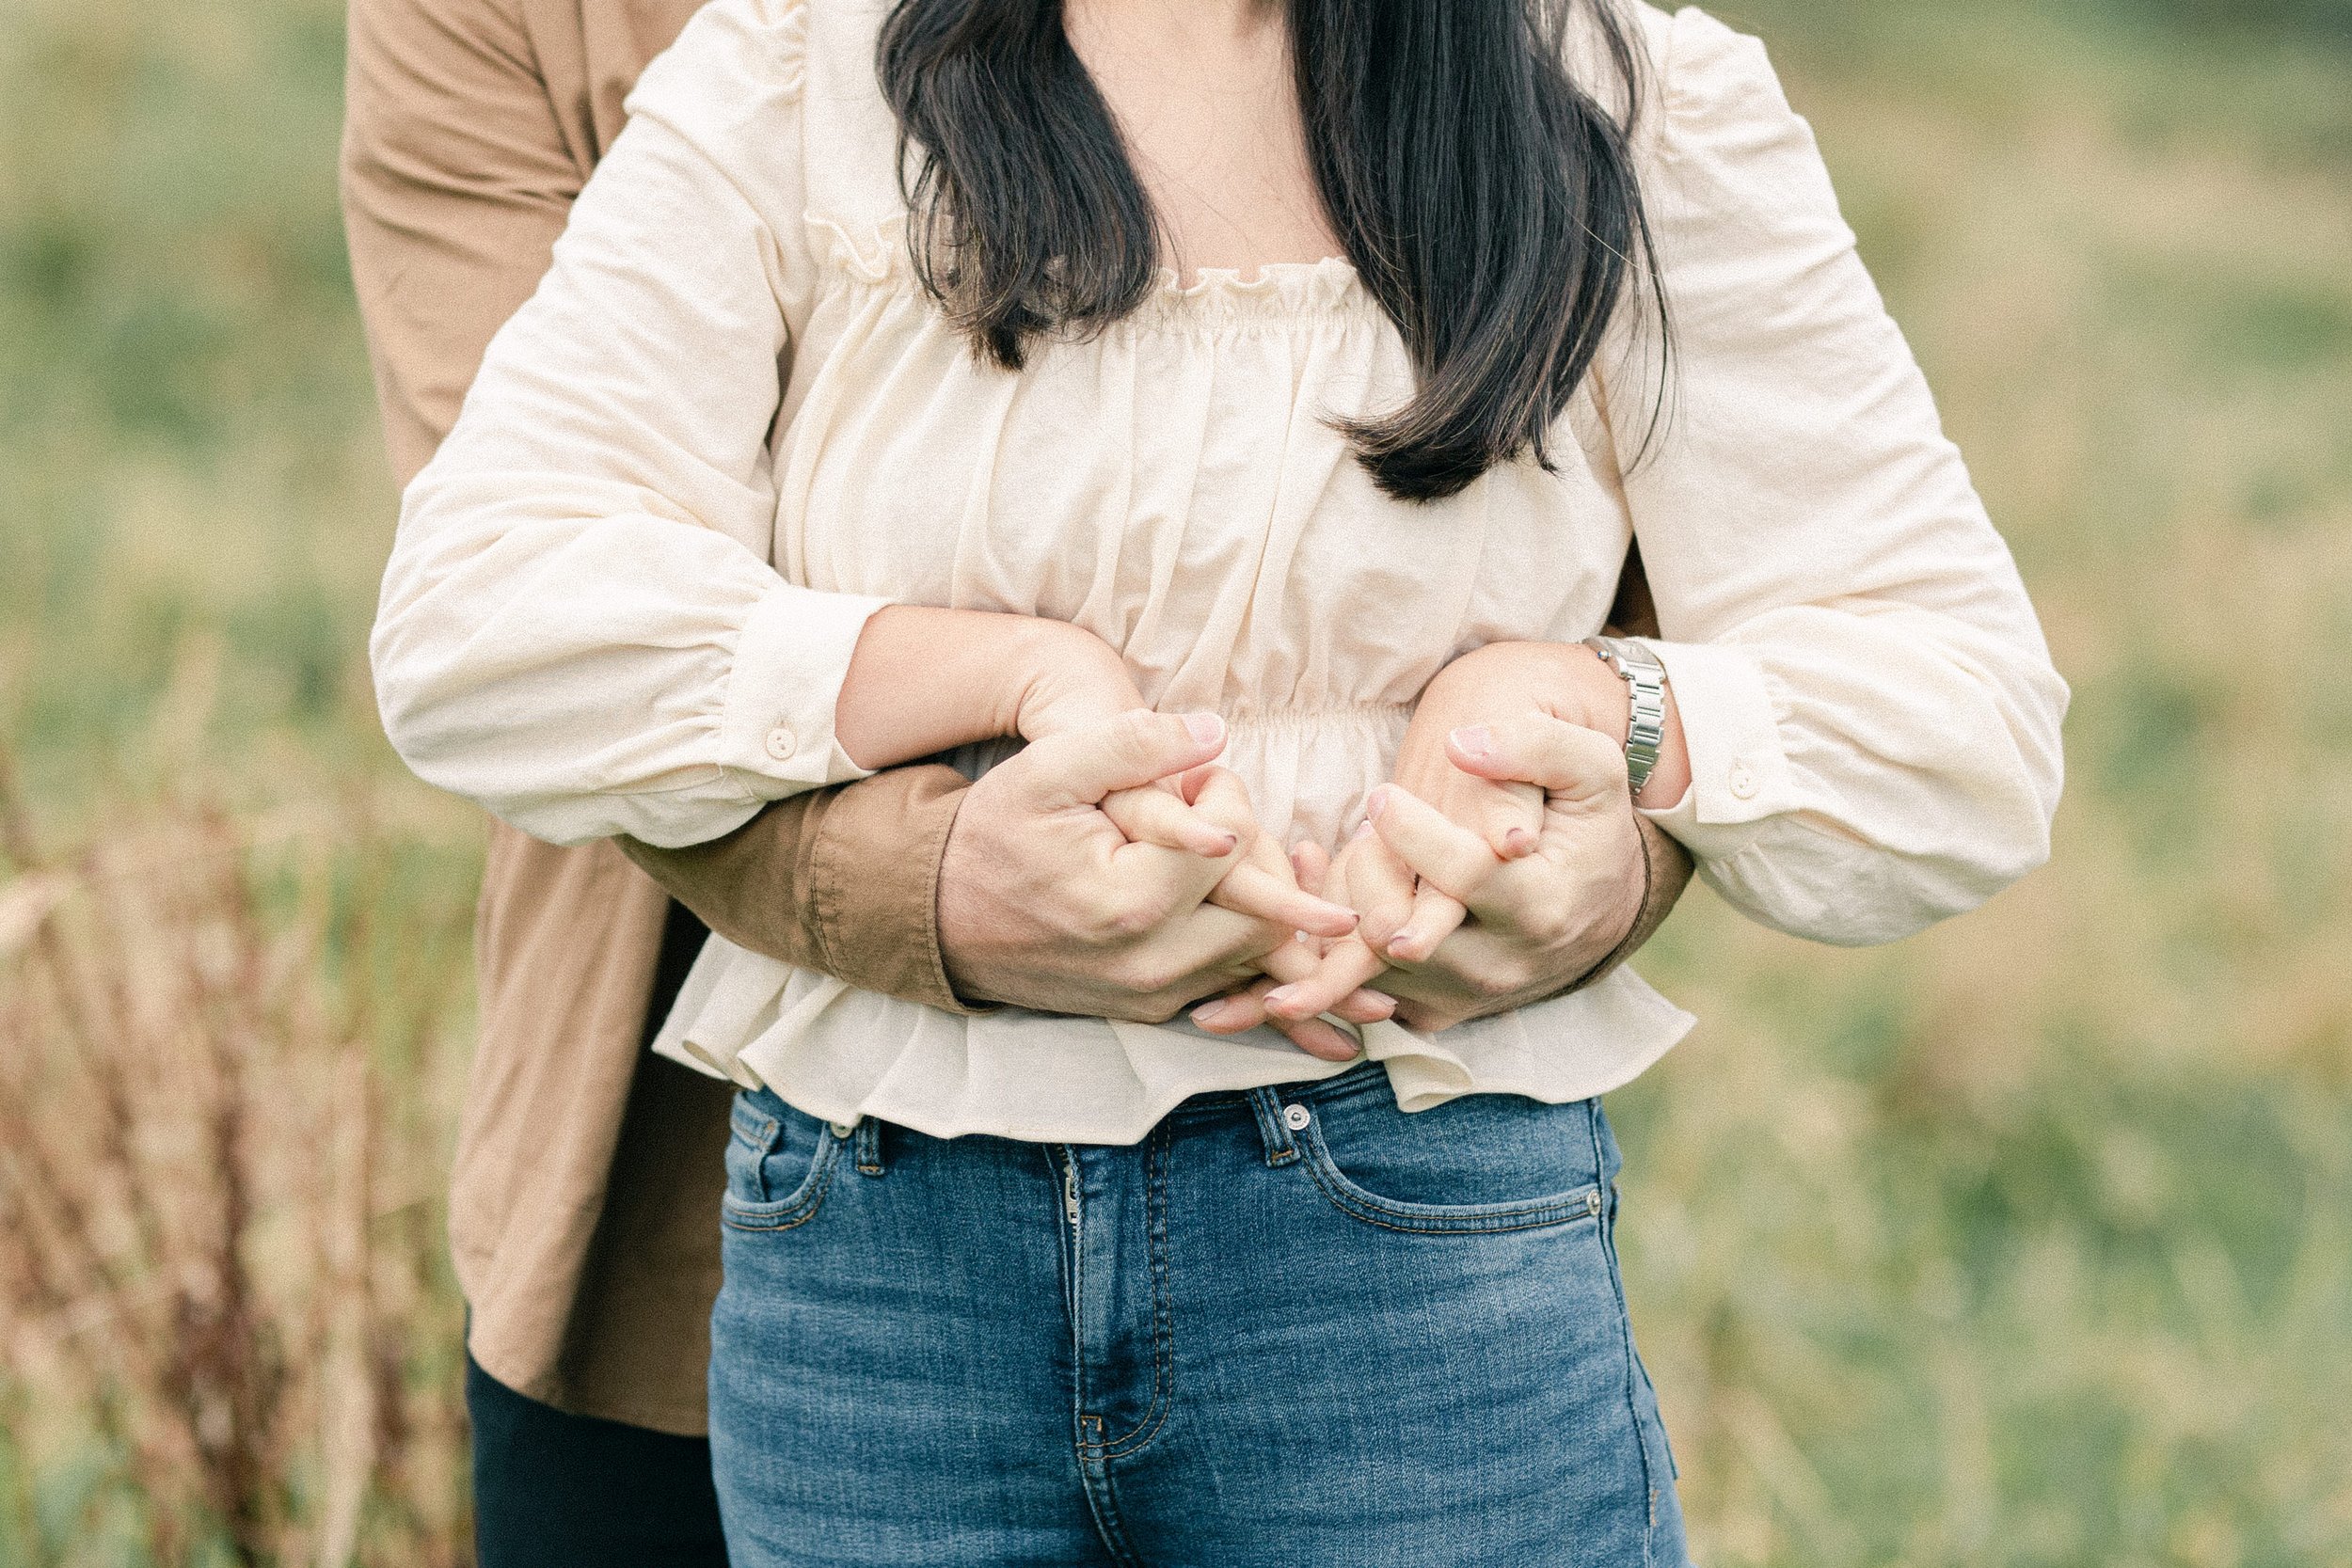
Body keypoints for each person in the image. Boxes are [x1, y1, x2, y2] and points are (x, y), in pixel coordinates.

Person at [361, 0, 2068, 1562]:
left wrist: (1595, 707)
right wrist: (985, 675)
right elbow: (477, 615)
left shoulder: (1628, 92)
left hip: (1403, 1233)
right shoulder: (797, 74)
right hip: (882, 1261)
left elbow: (1967, 718)